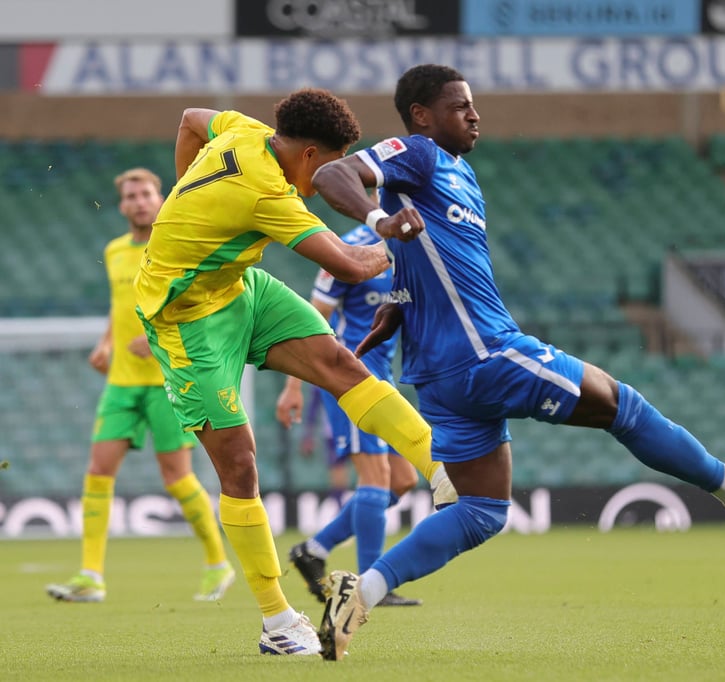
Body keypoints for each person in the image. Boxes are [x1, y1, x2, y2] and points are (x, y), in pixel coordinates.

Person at [308, 64, 725, 660]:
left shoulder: (462, 176)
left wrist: (399, 300)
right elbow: (331, 173)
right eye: (459, 105)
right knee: (620, 404)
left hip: (443, 372)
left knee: (484, 511)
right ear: (421, 114)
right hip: (485, 353)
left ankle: (358, 592)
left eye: (474, 105)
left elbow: (433, 262)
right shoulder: (416, 153)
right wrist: (377, 220)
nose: (475, 114)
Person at [132, 89, 454, 656]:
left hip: (237, 288)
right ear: (309, 155)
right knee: (239, 465)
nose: (328, 181)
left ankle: (441, 468)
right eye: (329, 167)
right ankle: (277, 623)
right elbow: (353, 266)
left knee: (339, 363)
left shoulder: (243, 129)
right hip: (184, 316)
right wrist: (401, 244)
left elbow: (190, 119)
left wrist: (185, 198)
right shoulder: (265, 194)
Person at [45, 168, 235, 604]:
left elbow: (203, 303)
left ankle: (217, 563)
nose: (138, 202)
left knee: (176, 477)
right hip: (121, 384)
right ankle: (91, 576)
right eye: (130, 196)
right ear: (121, 206)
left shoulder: (174, 246)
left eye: (145, 194)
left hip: (167, 380)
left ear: (161, 197)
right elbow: (123, 306)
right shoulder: (113, 251)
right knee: (97, 471)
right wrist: (106, 341)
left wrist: (159, 340)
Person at [277, 223, 423, 608]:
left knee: (403, 480)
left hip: (384, 379)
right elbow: (308, 322)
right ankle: (371, 585)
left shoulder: (415, 248)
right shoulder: (347, 249)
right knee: (375, 478)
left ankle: (314, 549)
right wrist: (293, 387)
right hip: (352, 382)